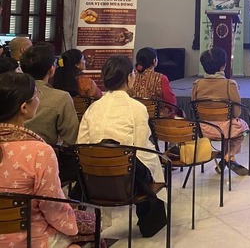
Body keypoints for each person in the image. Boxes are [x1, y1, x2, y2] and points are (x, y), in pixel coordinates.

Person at [77, 55, 168, 237]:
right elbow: (141, 147)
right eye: (133, 73)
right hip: (126, 179)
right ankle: (151, 218)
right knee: (152, 159)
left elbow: (81, 144)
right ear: (128, 77)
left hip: (94, 179)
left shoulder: (93, 108)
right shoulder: (136, 107)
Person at [0, 71, 79, 247]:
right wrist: (72, 225)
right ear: (24, 108)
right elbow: (53, 207)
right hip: (29, 238)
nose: (39, 99)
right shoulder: (40, 152)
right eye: (37, 95)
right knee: (89, 225)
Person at [192, 47, 250, 176]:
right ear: (223, 65)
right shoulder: (230, 85)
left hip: (203, 129)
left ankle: (228, 159)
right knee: (244, 129)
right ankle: (227, 157)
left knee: (229, 126)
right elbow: (237, 113)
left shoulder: (197, 84)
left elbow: (194, 107)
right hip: (226, 129)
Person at [22, 43, 79, 146]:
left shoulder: (9, 91)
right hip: (45, 152)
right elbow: (71, 138)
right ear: (51, 69)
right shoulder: (61, 98)